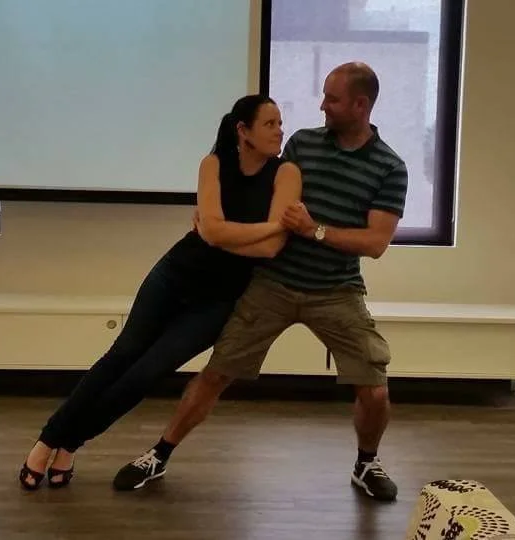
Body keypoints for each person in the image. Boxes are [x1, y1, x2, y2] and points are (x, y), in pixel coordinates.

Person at [113, 62, 408, 502]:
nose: (322, 106)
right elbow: (258, 187)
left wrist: (316, 230)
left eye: (332, 99)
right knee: (216, 374)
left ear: (361, 105)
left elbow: (376, 242)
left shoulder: (390, 167)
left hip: (337, 291)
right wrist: (213, 218)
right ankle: (159, 453)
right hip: (273, 283)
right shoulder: (303, 145)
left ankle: (367, 463)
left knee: (375, 388)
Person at [18, 94, 302, 490]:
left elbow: (261, 245)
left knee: (145, 375)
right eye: (270, 123)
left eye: (279, 123)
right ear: (243, 130)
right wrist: (261, 227)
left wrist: (221, 234)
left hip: (218, 299)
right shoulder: (213, 164)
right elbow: (224, 232)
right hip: (175, 275)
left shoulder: (287, 174)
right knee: (120, 358)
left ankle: (70, 441)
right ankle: (49, 441)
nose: (279, 130)